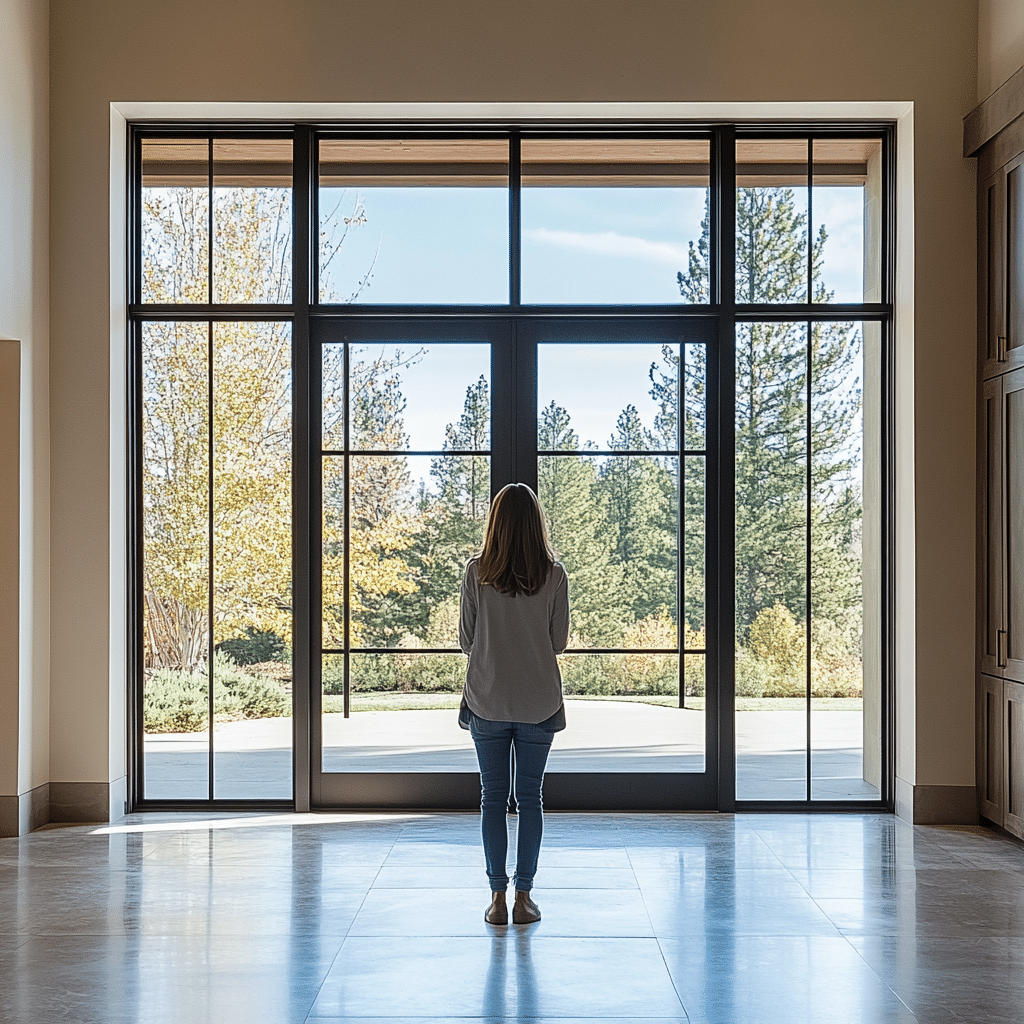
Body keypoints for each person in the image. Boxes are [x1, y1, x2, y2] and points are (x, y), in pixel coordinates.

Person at [459, 482, 570, 926]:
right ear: (536, 525)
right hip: (538, 702)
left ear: (495, 524)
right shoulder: (554, 575)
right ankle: (525, 896)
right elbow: (558, 642)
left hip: (487, 697)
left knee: (491, 799)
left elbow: (466, 640)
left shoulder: (476, 573)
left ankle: (497, 899)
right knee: (530, 798)